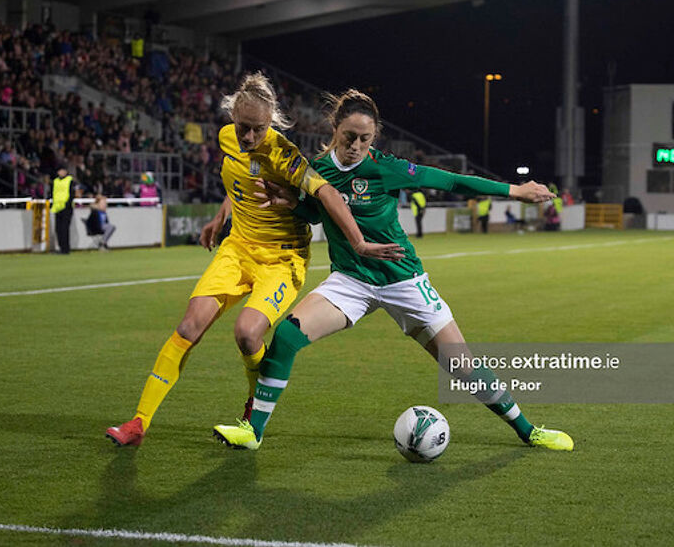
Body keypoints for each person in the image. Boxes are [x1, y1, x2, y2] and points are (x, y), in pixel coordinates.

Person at [213, 89, 573, 451]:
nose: (355, 145)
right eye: (348, 137)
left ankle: (528, 431)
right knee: (287, 338)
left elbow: (450, 181)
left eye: (364, 139)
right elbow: (314, 214)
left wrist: (515, 190)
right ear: (334, 129)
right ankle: (253, 431)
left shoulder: (386, 169)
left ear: (375, 137)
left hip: (402, 279)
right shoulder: (317, 171)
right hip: (350, 280)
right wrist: (293, 203)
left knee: (462, 368)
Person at [106, 73, 401, 447]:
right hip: (238, 247)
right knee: (188, 327)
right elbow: (241, 181)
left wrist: (358, 243)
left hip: (282, 258)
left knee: (247, 334)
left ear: (272, 121)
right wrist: (220, 216)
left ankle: (253, 405)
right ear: (233, 119)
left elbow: (327, 194)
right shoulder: (227, 139)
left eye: (258, 130)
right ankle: (138, 422)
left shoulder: (285, 155)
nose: (248, 137)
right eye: (243, 127)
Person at [50, 166, 74, 254]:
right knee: (58, 229)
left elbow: (71, 194)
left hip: (66, 207)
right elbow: (53, 193)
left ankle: (65, 249)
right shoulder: (55, 181)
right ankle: (61, 247)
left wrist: (67, 204)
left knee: (64, 229)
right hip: (57, 207)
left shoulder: (69, 180)